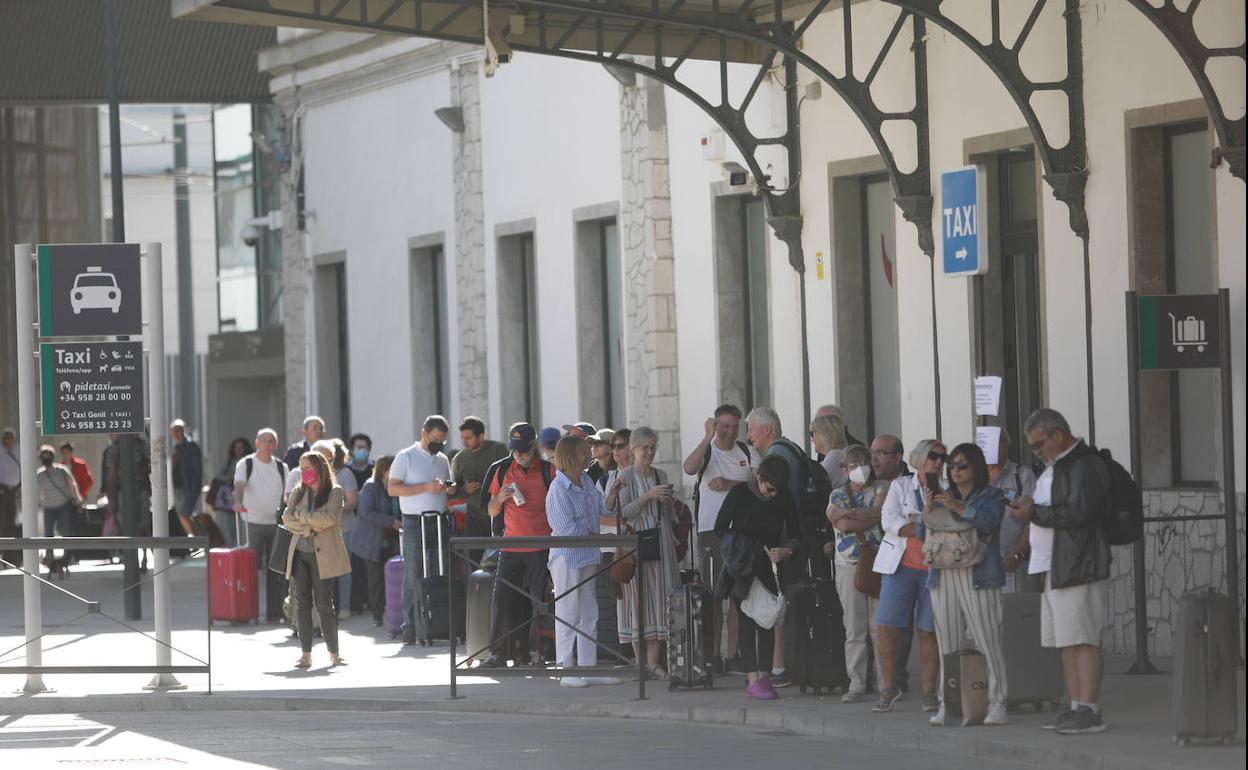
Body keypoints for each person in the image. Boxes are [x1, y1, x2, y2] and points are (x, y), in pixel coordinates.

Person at [1009, 408, 1112, 735]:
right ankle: (1075, 706)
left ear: (1057, 434)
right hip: (1054, 564)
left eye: (1039, 445)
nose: (1038, 452)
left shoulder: (1084, 464)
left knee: (1083, 637)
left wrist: (1033, 512)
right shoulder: (1058, 467)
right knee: (1066, 641)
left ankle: (1090, 709)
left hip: (1078, 563)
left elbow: (1079, 512)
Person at [927, 443, 1009, 727]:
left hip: (978, 572)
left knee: (988, 638)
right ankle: (948, 702)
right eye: (952, 466)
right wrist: (929, 507)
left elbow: (989, 522)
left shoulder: (992, 495)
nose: (956, 470)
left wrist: (959, 507)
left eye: (962, 465)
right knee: (947, 641)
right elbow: (921, 531)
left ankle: (997, 701)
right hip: (943, 571)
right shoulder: (941, 496)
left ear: (976, 467)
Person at [713, 454, 801, 700]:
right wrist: (743, 545)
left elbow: (795, 531)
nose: (772, 494)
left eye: (777, 491)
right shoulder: (740, 494)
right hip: (743, 567)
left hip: (771, 568)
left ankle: (764, 675)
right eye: (769, 489)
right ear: (759, 478)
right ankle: (752, 677)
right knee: (745, 622)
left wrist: (786, 550)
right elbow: (720, 528)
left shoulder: (783, 498)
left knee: (767, 622)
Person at [872, 438, 946, 714]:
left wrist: (915, 523)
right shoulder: (901, 486)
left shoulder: (948, 491)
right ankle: (888, 688)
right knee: (887, 629)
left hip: (934, 568)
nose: (939, 462)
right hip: (900, 567)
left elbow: (948, 526)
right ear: (919, 459)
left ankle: (929, 694)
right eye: (933, 456)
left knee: (928, 632)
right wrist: (924, 525)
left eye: (942, 457)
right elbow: (889, 522)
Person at [682, 404, 755, 675]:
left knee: (737, 598)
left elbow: (759, 484)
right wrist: (706, 437)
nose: (729, 432)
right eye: (724, 426)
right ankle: (712, 655)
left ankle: (733, 654)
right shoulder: (709, 450)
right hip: (711, 532)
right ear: (716, 425)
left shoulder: (746, 452)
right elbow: (689, 468)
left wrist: (730, 484)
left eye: (734, 427)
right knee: (713, 597)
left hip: (741, 533)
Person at [545, 435, 621, 687]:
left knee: (590, 612)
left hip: (588, 554)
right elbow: (566, 529)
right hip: (566, 557)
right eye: (583, 452)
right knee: (568, 612)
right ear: (569, 456)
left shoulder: (587, 481)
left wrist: (614, 492)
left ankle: (589, 668)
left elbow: (605, 510)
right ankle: (566, 670)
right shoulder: (557, 489)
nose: (588, 455)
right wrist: (595, 535)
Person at [478, 423, 555, 668]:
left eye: (524, 450)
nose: (519, 455)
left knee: (539, 604)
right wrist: (500, 497)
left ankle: (538, 653)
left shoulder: (547, 470)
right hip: (510, 547)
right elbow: (490, 510)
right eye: (515, 451)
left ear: (534, 446)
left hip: (541, 547)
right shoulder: (501, 470)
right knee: (500, 600)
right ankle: (497, 654)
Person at [606, 426, 678, 679]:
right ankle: (639, 662)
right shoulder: (624, 476)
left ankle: (654, 662)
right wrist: (648, 496)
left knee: (660, 598)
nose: (649, 452)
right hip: (635, 544)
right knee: (637, 601)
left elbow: (671, 516)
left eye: (652, 447)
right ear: (634, 449)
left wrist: (668, 504)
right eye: (644, 447)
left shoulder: (661, 473)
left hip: (660, 541)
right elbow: (622, 512)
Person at [744, 406, 804, 687]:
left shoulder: (777, 455)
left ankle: (778, 666)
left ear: (766, 429)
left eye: (751, 429)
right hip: (792, 536)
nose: (748, 436)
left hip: (780, 540)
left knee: (776, 601)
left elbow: (775, 502)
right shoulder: (791, 448)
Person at [825, 444, 886, 703]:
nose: (859, 468)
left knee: (879, 629)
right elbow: (840, 522)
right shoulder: (836, 495)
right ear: (844, 469)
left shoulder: (883, 488)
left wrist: (850, 515)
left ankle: (886, 684)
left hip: (880, 564)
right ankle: (857, 683)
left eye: (863, 462)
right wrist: (867, 517)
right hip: (848, 567)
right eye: (853, 465)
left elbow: (882, 514)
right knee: (855, 630)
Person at [279, 451, 349, 669]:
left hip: (323, 556)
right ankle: (306, 654)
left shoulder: (334, 492)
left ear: (320, 467)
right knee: (302, 605)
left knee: (324, 605)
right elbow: (287, 518)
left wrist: (303, 518)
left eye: (308, 467)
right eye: (302, 467)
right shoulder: (298, 492)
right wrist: (310, 525)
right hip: (299, 553)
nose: (305, 472)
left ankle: (334, 653)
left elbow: (330, 518)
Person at [388, 415, 452, 645]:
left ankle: (439, 621)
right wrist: (425, 487)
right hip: (415, 520)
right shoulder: (406, 457)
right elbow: (393, 488)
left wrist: (449, 489)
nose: (438, 444)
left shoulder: (442, 459)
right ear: (424, 433)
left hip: (439, 518)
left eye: (442, 440)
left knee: (439, 571)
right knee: (413, 572)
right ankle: (410, 626)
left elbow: (447, 484)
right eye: (435, 439)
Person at [233, 428, 289, 622]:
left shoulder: (282, 467)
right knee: (249, 570)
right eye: (264, 440)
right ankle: (246, 612)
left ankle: (275, 613)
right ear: (257, 443)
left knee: (275, 570)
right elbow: (239, 485)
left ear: (276, 444)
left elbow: (288, 494)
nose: (268, 444)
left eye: (271, 441)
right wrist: (238, 502)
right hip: (252, 523)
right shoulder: (246, 464)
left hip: (275, 524)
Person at [448, 416, 509, 566]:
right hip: (474, 517)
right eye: (462, 438)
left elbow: (511, 476)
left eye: (468, 438)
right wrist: (463, 490)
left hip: (501, 516)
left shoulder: (498, 450)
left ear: (481, 436)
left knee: (502, 562)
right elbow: (453, 491)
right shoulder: (459, 459)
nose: (464, 442)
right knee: (474, 562)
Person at [989, 429, 1038, 592]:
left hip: (1011, 566)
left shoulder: (1023, 476)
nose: (994, 445)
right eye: (989, 441)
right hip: (980, 566)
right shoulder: (972, 477)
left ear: (1007, 444)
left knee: (1013, 614)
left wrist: (1018, 554)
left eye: (1000, 440)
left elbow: (1032, 521)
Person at [315, 439, 360, 615]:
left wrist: (332, 509)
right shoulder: (312, 476)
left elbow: (352, 502)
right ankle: (324, 608)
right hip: (320, 531)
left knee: (343, 570)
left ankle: (344, 607)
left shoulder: (345, 474)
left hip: (343, 530)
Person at [353, 455, 399, 627]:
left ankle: (391, 610)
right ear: (384, 470)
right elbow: (366, 512)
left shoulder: (394, 486)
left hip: (389, 539)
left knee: (390, 576)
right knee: (375, 579)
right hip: (371, 541)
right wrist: (391, 522)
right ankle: (377, 614)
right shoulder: (371, 486)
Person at [35, 444, 81, 574]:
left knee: (66, 533)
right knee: (48, 535)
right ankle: (49, 558)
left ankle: (67, 557)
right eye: (43, 456)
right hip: (48, 507)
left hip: (63, 506)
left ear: (52, 456)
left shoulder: (61, 469)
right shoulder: (39, 474)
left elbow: (72, 484)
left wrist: (77, 500)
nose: (45, 458)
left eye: (48, 455)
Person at [210, 437, 252, 547]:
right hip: (230, 500)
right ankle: (235, 547)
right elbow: (218, 476)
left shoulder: (249, 462)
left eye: (241, 448)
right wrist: (229, 478)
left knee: (245, 527)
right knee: (231, 527)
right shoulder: (230, 463)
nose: (239, 450)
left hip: (246, 498)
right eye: (236, 448)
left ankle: (245, 547)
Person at [170, 419, 203, 537]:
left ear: (183, 431)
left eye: (178, 430)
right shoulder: (176, 447)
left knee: (184, 514)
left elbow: (196, 469)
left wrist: (193, 488)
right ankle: (195, 538)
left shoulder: (191, 446)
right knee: (181, 515)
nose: (175, 433)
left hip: (188, 488)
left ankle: (196, 539)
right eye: (173, 431)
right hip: (178, 487)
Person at [810, 412, 849, 490]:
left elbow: (817, 484)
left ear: (823, 434)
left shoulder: (835, 455)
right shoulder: (837, 454)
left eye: (813, 434)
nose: (812, 439)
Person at [0, 429, 20, 540]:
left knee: (11, 518)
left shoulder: (18, 450)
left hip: (14, 490)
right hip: (2, 490)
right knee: (2, 518)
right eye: (7, 439)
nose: (10, 442)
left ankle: (10, 545)